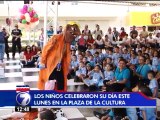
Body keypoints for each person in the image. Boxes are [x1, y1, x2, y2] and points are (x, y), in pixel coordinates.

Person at [37, 22, 81, 91]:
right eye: (72, 34)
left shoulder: (67, 42)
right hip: (51, 64)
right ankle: (46, 96)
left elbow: (66, 55)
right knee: (50, 81)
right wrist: (43, 61)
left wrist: (67, 65)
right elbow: (46, 49)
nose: (73, 36)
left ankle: (60, 96)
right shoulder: (56, 38)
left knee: (61, 81)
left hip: (60, 65)